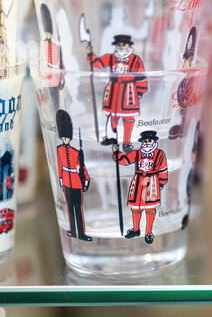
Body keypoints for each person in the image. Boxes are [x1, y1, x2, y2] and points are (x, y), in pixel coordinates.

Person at [84, 33, 147, 146]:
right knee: (112, 115)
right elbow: (97, 63)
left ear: (128, 46)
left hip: (128, 91)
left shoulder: (135, 59)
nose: (121, 48)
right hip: (114, 90)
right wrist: (90, 53)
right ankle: (111, 136)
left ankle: (127, 142)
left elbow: (141, 75)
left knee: (128, 117)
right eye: (119, 45)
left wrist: (140, 91)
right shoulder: (111, 58)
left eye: (123, 45)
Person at [113, 130, 167, 243]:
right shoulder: (137, 153)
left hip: (151, 182)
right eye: (145, 141)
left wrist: (161, 183)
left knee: (150, 207)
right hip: (138, 182)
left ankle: (148, 233)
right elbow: (124, 160)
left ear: (154, 141)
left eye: (150, 140)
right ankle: (136, 229)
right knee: (136, 207)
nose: (147, 143)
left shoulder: (159, 154)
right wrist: (116, 153)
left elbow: (163, 169)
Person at [55, 109, 91, 241]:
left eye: (66, 137)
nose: (65, 140)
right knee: (69, 208)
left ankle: (81, 233)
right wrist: (60, 180)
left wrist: (85, 181)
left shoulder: (76, 152)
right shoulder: (59, 150)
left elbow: (82, 168)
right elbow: (59, 165)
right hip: (66, 181)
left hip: (76, 181)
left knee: (78, 208)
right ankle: (73, 230)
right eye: (63, 138)